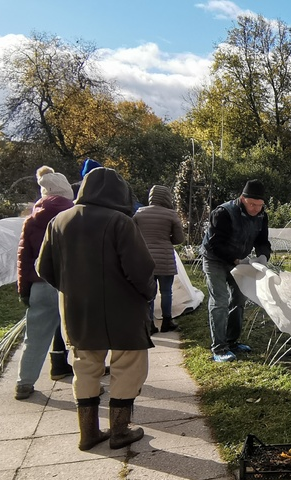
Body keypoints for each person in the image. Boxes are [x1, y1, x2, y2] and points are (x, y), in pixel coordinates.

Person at [37, 167, 157, 451]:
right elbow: (139, 269)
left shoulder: (58, 221)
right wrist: (148, 293)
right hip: (123, 309)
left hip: (79, 310)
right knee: (128, 366)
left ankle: (88, 433)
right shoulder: (121, 222)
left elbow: (44, 268)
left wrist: (72, 288)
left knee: (85, 367)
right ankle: (119, 430)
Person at [13, 166, 75, 400]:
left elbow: (24, 257)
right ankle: (87, 383)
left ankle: (24, 383)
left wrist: (24, 288)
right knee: (79, 336)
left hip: (39, 284)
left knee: (35, 337)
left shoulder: (31, 219)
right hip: (68, 283)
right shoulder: (74, 215)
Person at [201, 179, 272, 362]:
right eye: (252, 204)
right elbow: (215, 244)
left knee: (239, 299)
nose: (256, 209)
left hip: (239, 261)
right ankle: (219, 348)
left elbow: (262, 241)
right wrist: (236, 260)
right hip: (215, 259)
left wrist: (263, 257)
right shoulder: (223, 212)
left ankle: (232, 342)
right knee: (220, 301)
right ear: (242, 198)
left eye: (259, 205)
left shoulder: (262, 216)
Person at [134, 185, 185, 334]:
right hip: (165, 259)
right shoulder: (171, 214)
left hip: (145, 259)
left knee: (149, 293)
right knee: (166, 292)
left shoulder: (139, 213)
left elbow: (133, 234)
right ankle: (167, 322)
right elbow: (179, 238)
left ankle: (149, 324)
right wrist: (166, 239)